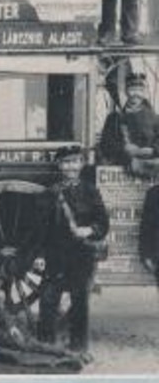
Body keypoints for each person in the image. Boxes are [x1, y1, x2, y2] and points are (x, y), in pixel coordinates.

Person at [36, 144, 110, 360]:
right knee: (48, 300)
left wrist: (89, 230)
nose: (70, 166)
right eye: (66, 162)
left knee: (80, 301)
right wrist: (39, 256)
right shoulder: (50, 194)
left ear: (81, 164)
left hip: (81, 255)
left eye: (75, 161)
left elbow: (103, 222)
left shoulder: (90, 191)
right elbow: (40, 229)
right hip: (55, 255)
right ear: (59, 166)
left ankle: (78, 347)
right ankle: (45, 346)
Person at [96, 73, 159, 175]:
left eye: (140, 90)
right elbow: (105, 144)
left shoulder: (156, 119)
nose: (136, 94)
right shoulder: (114, 118)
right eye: (132, 89)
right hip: (121, 172)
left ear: (145, 92)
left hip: (152, 171)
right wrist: (124, 149)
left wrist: (151, 151)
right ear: (126, 91)